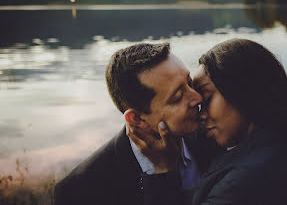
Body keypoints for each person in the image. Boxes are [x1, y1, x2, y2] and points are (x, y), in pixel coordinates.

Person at [129, 38, 287, 205]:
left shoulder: (245, 182)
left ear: (243, 91)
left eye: (207, 97)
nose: (200, 114)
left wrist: (163, 172)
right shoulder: (280, 144)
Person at [54, 43, 221, 205]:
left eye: (189, 82)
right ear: (137, 119)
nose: (198, 98)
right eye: (177, 97)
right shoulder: (81, 190)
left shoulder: (216, 132)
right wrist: (164, 174)